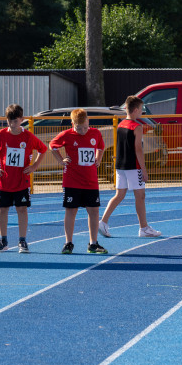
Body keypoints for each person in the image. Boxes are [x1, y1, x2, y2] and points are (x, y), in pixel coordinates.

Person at [0, 104, 48, 253]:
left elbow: (43, 149)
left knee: (22, 209)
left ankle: (22, 240)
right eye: (10, 120)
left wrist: (34, 166)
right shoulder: (1, 134)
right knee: (3, 209)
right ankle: (3, 240)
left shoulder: (27, 136)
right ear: (7, 120)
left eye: (16, 121)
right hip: (5, 180)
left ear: (22, 120)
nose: (13, 124)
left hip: (21, 181)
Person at [99, 96, 161, 239]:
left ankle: (103, 221)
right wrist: (144, 169)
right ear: (136, 109)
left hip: (121, 165)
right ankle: (144, 228)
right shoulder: (137, 127)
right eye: (141, 109)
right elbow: (138, 149)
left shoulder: (121, 124)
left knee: (119, 195)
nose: (142, 112)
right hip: (134, 166)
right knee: (140, 196)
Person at [50, 108, 107, 255]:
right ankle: (68, 242)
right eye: (78, 128)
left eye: (85, 127)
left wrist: (98, 159)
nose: (82, 131)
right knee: (71, 211)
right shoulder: (67, 135)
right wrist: (60, 160)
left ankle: (93, 244)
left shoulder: (95, 133)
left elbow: (101, 146)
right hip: (72, 181)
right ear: (72, 124)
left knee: (94, 211)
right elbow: (52, 145)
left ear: (88, 121)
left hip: (90, 180)